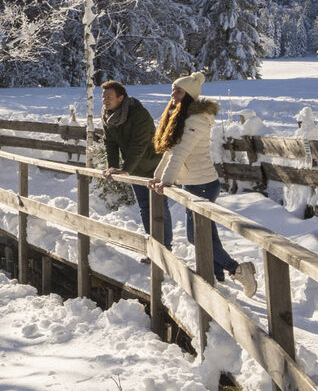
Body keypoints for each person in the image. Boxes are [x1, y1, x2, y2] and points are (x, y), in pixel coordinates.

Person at [148, 71, 258, 298]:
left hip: (203, 185)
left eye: (177, 91)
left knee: (195, 236)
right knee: (207, 235)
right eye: (172, 90)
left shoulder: (195, 120)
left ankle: (237, 269)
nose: (173, 95)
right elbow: (170, 152)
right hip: (196, 184)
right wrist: (158, 177)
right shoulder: (182, 117)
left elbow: (181, 152)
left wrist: (166, 181)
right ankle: (216, 275)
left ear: (188, 94)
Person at [100, 80, 168, 244]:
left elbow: (140, 144)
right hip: (135, 166)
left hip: (153, 165)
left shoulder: (139, 114)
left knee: (159, 208)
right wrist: (113, 167)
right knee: (145, 207)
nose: (105, 101)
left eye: (109, 97)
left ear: (121, 98)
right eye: (103, 97)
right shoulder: (108, 116)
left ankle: (166, 246)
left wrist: (126, 169)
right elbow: (110, 143)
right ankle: (152, 245)